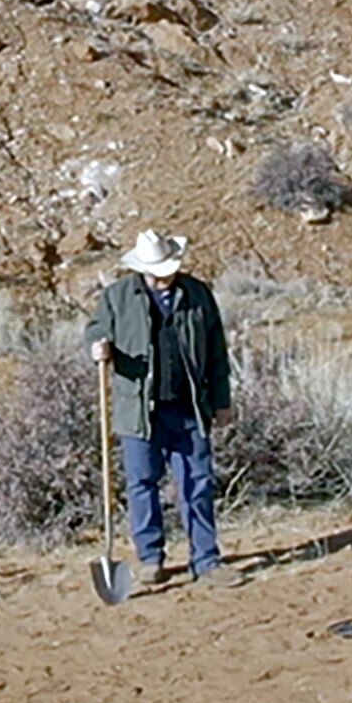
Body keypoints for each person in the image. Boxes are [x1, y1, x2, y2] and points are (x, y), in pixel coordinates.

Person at [88, 230, 235, 587]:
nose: (162, 277)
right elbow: (95, 330)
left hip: (189, 407)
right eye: (155, 271)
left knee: (197, 483)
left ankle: (206, 560)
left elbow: (217, 352)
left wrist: (221, 401)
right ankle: (150, 557)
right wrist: (97, 345)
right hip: (138, 410)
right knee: (142, 483)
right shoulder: (118, 297)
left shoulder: (197, 294)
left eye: (166, 270)